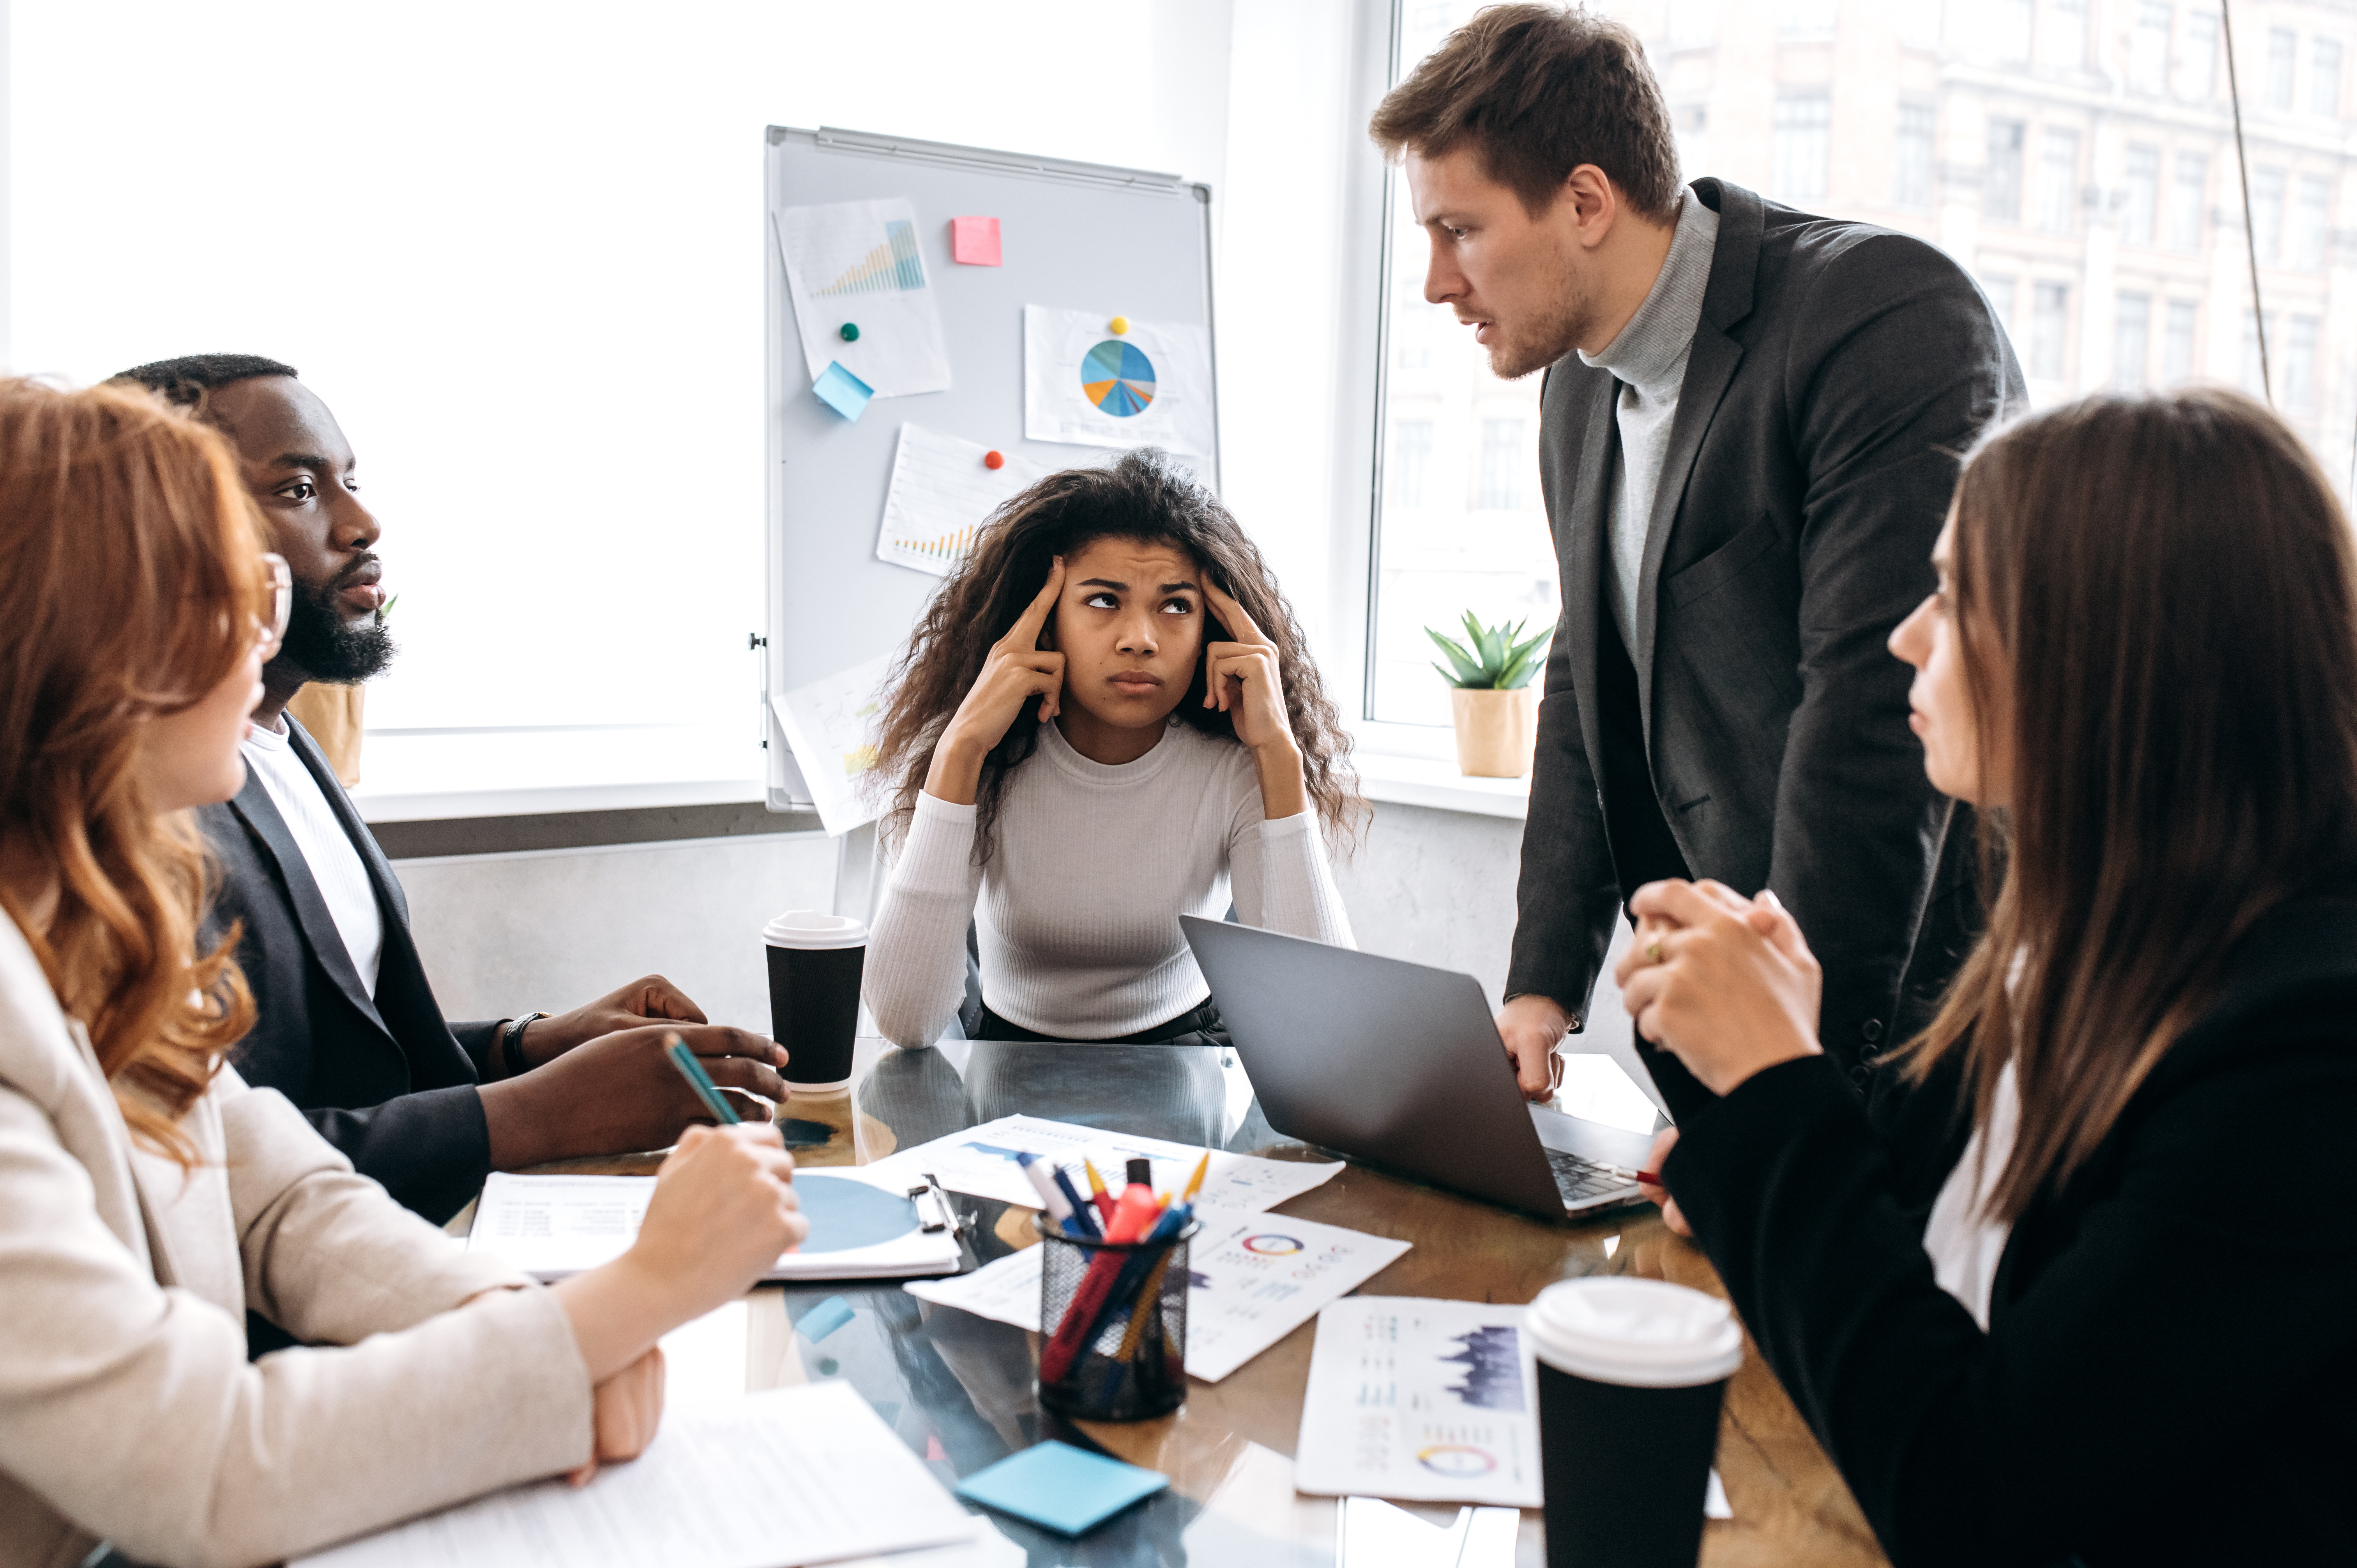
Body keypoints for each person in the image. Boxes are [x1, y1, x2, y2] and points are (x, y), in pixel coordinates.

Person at [0, 378, 808, 1568]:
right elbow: (207, 1469)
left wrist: (532, 1333)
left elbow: (277, 1197)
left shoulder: (94, 929)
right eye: (237, 591)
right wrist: (634, 1296)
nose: (262, 636)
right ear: (95, 644)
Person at [1617, 389, 2357, 1565]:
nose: (1908, 635)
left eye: (1957, 593)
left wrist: (1776, 1093)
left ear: (2107, 651)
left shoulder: (2307, 1047)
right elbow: (1929, 1266)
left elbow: (1975, 1492)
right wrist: (1753, 1151)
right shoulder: (2063, 941)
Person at [1366, 7, 2024, 1111]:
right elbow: (1588, 681)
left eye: (1460, 232)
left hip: (1894, 1033)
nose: (1437, 283)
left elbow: (1870, 723)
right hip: (1731, 1031)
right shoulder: (1578, 383)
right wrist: (1540, 988)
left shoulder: (1882, 319)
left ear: (1585, 201)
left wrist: (1780, 1085)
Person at [110, 355, 784, 1224]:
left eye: (350, 479)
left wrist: (527, 1045)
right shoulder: (146, 805)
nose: (363, 521)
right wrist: (537, 1112)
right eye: (301, 489)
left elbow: (347, 1056)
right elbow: (223, 1164)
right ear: (167, 529)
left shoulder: (286, 739)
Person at [863, 449, 1358, 1047]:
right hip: (1008, 1055)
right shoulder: (976, 754)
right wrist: (959, 750)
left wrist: (1281, 755)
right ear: (1044, 621)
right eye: (1103, 600)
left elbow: (1324, 1020)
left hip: (1191, 1055)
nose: (1140, 640)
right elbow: (905, 1022)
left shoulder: (1238, 762)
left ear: (1212, 626)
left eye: (1176, 605)